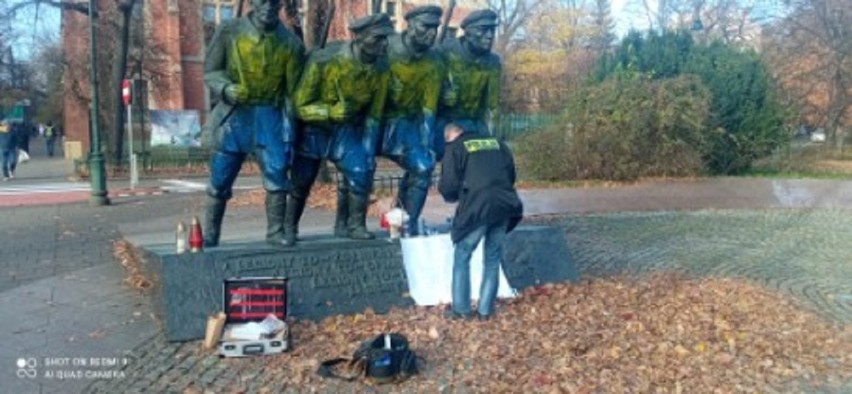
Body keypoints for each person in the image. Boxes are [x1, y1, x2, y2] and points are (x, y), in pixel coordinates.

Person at [201, 0, 305, 248]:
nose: (267, 7)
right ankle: (211, 233)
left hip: (270, 116)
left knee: (278, 174)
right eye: (261, 1)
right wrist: (226, 88)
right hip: (235, 115)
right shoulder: (229, 30)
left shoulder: (291, 43)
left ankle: (276, 231)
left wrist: (289, 133)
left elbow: (292, 94)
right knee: (220, 178)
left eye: (273, 2)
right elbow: (211, 71)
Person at [286, 14, 393, 243]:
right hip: (314, 131)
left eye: (387, 39)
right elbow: (299, 105)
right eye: (378, 38)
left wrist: (368, 150)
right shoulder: (324, 61)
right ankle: (288, 226)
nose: (384, 44)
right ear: (359, 37)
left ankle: (354, 225)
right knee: (301, 182)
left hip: (346, 132)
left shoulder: (382, 69)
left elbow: (375, 116)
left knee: (361, 171)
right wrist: (328, 111)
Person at [438, 123, 523, 320]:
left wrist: (455, 196)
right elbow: (511, 175)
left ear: (450, 136)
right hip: (504, 205)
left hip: (477, 207)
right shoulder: (497, 143)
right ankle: (485, 311)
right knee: (492, 259)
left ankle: (461, 310)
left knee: (462, 255)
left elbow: (448, 185)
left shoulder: (456, 147)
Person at [381, 5, 446, 236]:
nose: (431, 33)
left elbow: (429, 108)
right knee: (358, 167)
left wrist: (426, 144)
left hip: (405, 125)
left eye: (435, 28)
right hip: (374, 120)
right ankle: (349, 224)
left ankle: (407, 221)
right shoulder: (385, 47)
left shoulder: (435, 61)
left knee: (423, 165)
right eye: (425, 27)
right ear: (409, 25)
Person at [435, 9, 501, 160]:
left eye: (492, 30)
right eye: (483, 30)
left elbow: (493, 105)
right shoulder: (444, 52)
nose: (490, 35)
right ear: (468, 32)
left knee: (490, 157)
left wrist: (494, 136)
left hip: (475, 123)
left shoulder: (493, 62)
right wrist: (442, 95)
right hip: (445, 121)